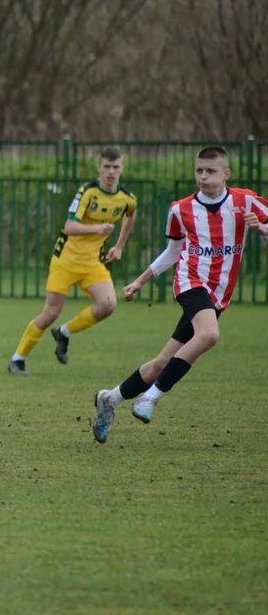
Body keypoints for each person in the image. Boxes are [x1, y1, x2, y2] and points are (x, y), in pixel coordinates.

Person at [92, 146, 268, 443]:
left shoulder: (246, 201)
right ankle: (150, 398)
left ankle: (110, 399)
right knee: (209, 335)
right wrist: (141, 281)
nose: (203, 176)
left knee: (162, 362)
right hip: (190, 282)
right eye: (199, 170)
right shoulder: (180, 209)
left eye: (210, 171)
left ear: (226, 174)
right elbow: (173, 252)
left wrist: (262, 229)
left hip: (217, 295)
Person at [8, 146, 138, 374]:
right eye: (106, 167)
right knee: (50, 313)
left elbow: (131, 214)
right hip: (66, 260)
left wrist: (119, 246)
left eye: (115, 167)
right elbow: (69, 227)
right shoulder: (88, 192)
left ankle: (64, 333)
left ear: (122, 169)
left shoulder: (126, 199)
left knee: (108, 305)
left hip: (92, 264)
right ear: (98, 168)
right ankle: (17, 359)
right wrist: (98, 228)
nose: (110, 172)